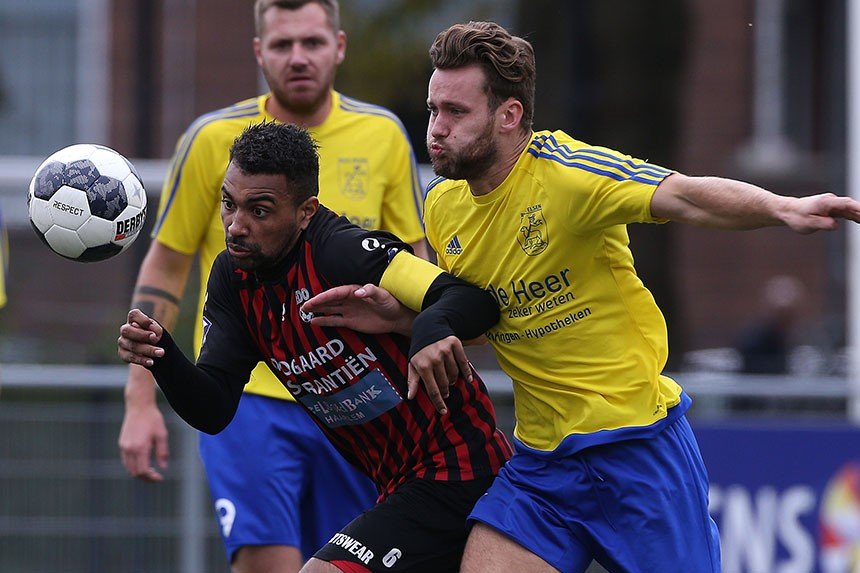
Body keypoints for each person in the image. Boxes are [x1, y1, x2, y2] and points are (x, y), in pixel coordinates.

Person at [311, 20, 860, 573]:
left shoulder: (568, 175)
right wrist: (402, 319)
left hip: (636, 449)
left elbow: (688, 196)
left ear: (509, 115)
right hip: (543, 467)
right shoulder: (443, 204)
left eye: (456, 112)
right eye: (434, 110)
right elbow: (490, 318)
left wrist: (782, 207)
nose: (436, 128)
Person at [117, 121, 513, 573]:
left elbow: (469, 300)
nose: (236, 226)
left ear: (306, 211)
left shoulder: (342, 252)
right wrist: (162, 355)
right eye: (229, 204)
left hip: (460, 469)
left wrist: (426, 330)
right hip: (394, 482)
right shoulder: (233, 279)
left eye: (259, 210)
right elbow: (214, 408)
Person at [117, 1, 427, 571]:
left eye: (312, 42)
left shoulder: (384, 135)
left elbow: (414, 265)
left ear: (339, 46)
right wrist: (139, 400)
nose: (298, 57)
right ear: (259, 53)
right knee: (267, 562)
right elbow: (165, 266)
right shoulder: (211, 138)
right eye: (283, 45)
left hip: (355, 397)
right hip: (249, 400)